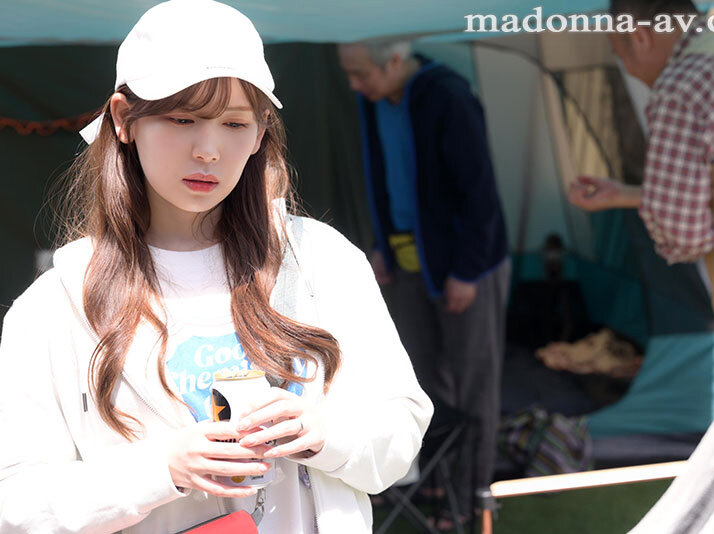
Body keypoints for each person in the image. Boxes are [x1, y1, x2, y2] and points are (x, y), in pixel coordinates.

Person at [0, 1, 433, 532]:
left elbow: (401, 429)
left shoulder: (321, 259)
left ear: (260, 132)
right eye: (183, 119)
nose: (208, 150)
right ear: (123, 118)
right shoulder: (58, 303)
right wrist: (161, 469)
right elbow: (15, 502)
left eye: (234, 123)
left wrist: (325, 433)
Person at [568, 0, 714, 527]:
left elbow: (684, 234)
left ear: (640, 36)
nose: (627, 68)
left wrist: (654, 206)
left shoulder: (683, 83)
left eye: (619, 52)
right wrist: (629, 194)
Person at [337, 40, 510, 528]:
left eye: (361, 73)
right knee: (419, 381)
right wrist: (383, 247)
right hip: (408, 262)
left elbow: (480, 194)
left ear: (395, 60)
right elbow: (384, 181)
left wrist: (466, 272)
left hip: (465, 266)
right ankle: (431, 480)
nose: (354, 85)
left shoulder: (448, 96)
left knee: (473, 383)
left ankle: (471, 497)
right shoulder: (375, 100)